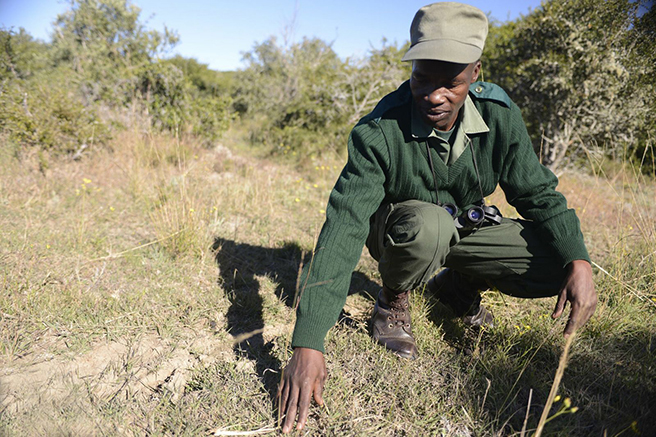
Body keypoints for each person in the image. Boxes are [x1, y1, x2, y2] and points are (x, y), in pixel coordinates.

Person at [277, 2, 597, 433]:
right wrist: (308, 342)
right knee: (429, 227)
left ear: (475, 73)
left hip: (464, 227)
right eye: (421, 78)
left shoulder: (499, 115)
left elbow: (536, 191)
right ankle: (392, 300)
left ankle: (458, 285)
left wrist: (578, 259)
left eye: (450, 82)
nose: (433, 95)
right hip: (404, 232)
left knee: (555, 261)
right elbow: (345, 224)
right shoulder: (380, 129)